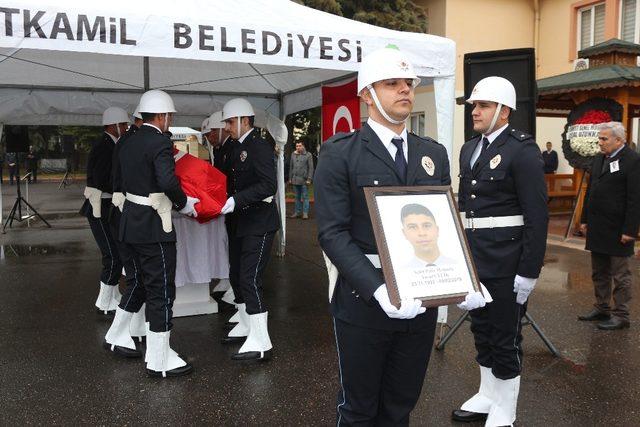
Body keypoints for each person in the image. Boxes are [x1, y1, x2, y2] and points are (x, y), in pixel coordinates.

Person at [315, 45, 458, 425]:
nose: (405, 90)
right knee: (359, 408)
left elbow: (442, 225)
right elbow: (332, 233)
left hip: (421, 298)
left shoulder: (434, 154)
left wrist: (462, 279)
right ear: (367, 94)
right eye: (392, 83)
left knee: (400, 405)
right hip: (365, 300)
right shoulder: (340, 154)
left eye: (408, 83)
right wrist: (379, 288)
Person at [451, 76, 548, 426]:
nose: (474, 111)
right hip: (475, 260)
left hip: (507, 262)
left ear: (504, 111)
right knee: (481, 329)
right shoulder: (469, 148)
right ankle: (487, 393)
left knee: (506, 335)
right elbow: (465, 210)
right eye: (474, 106)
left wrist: (529, 271)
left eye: (483, 106)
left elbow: (537, 216)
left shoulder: (522, 151)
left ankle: (506, 406)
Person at [118, 90, 199, 377]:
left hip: (131, 222)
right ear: (163, 116)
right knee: (161, 289)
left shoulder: (128, 141)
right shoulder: (159, 142)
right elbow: (166, 180)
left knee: (145, 284)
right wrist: (184, 203)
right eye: (170, 116)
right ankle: (159, 359)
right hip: (154, 225)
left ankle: (157, 352)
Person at [219, 97, 280, 361]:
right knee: (238, 275)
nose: (228, 127)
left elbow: (269, 186)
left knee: (249, 278)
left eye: (231, 122)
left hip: (260, 222)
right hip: (242, 221)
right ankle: (246, 323)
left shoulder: (260, 146)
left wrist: (237, 199)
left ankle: (261, 340)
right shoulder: (236, 147)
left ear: (245, 121)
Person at [578, 122, 640, 330]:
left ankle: (621, 315)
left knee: (620, 275)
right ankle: (602, 308)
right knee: (599, 271)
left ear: (619, 140)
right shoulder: (599, 158)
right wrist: (584, 219)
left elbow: (635, 198)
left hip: (618, 229)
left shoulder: (632, 160)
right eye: (600, 138)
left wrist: (630, 230)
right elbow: (591, 191)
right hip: (598, 226)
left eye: (604, 139)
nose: (600, 142)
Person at [103, 106, 148, 358]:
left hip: (125, 217)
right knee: (138, 279)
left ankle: (135, 325)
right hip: (130, 218)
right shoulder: (136, 142)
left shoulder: (127, 140)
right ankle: (115, 334)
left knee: (137, 277)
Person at [79, 107, 130, 316]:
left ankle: (113, 293)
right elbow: (102, 179)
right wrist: (124, 188)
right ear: (113, 125)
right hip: (99, 207)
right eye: (124, 125)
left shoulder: (111, 144)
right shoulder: (104, 146)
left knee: (115, 252)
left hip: (107, 206)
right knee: (112, 255)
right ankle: (103, 302)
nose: (126, 128)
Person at [400, 204, 457, 269]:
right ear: (404, 234)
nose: (422, 233)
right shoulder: (401, 273)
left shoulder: (460, 267)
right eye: (412, 227)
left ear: (437, 230)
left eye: (426, 225)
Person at [288, 140, 314, 219]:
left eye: (299, 146)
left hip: (304, 180)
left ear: (303, 146)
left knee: (305, 197)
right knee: (297, 197)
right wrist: (290, 178)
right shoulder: (293, 154)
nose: (298, 147)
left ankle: (305, 213)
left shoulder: (308, 155)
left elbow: (311, 168)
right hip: (295, 179)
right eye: (297, 146)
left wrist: (309, 179)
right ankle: (297, 212)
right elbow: (291, 167)